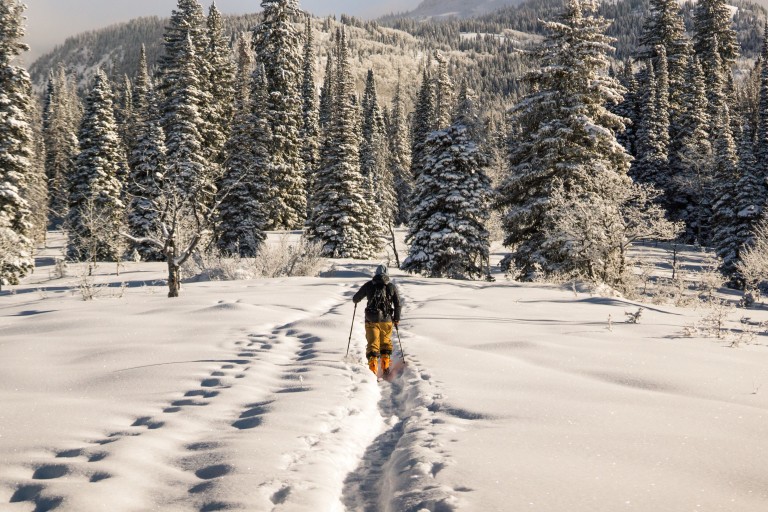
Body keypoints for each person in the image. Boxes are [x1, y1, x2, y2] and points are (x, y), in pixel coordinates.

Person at [352, 264, 402, 376]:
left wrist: (357, 301)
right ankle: (385, 367)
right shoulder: (391, 287)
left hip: (371, 319)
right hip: (387, 320)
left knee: (373, 344)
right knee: (385, 343)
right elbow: (398, 304)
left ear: (376, 273)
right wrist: (396, 319)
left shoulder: (369, 285)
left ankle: (373, 371)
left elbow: (355, 298)